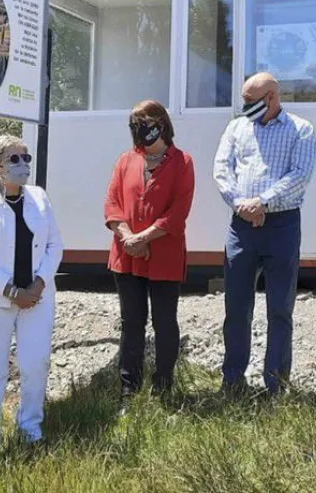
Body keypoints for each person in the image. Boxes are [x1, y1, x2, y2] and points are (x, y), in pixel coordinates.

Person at [213, 72, 316, 395]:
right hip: (241, 226)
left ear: (272, 97)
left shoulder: (301, 130)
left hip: (282, 225)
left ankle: (276, 384)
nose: (245, 106)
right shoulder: (237, 127)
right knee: (236, 306)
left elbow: (300, 175)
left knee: (279, 309)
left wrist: (262, 201)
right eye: (244, 99)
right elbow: (221, 168)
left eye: (250, 100)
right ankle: (232, 381)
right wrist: (241, 204)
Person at [0, 135, 63, 453]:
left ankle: (30, 429)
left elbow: (54, 244)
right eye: (14, 160)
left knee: (36, 364)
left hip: (37, 300)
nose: (23, 165)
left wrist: (39, 284)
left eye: (26, 158)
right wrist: (10, 290)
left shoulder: (40, 198)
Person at [105, 100, 195, 409]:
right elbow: (112, 205)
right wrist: (129, 238)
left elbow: (177, 213)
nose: (137, 130)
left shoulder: (183, 162)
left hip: (165, 256)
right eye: (133, 125)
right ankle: (129, 389)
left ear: (160, 124)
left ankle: (163, 387)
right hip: (126, 255)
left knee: (164, 322)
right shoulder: (125, 161)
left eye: (143, 123)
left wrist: (144, 237)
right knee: (131, 322)